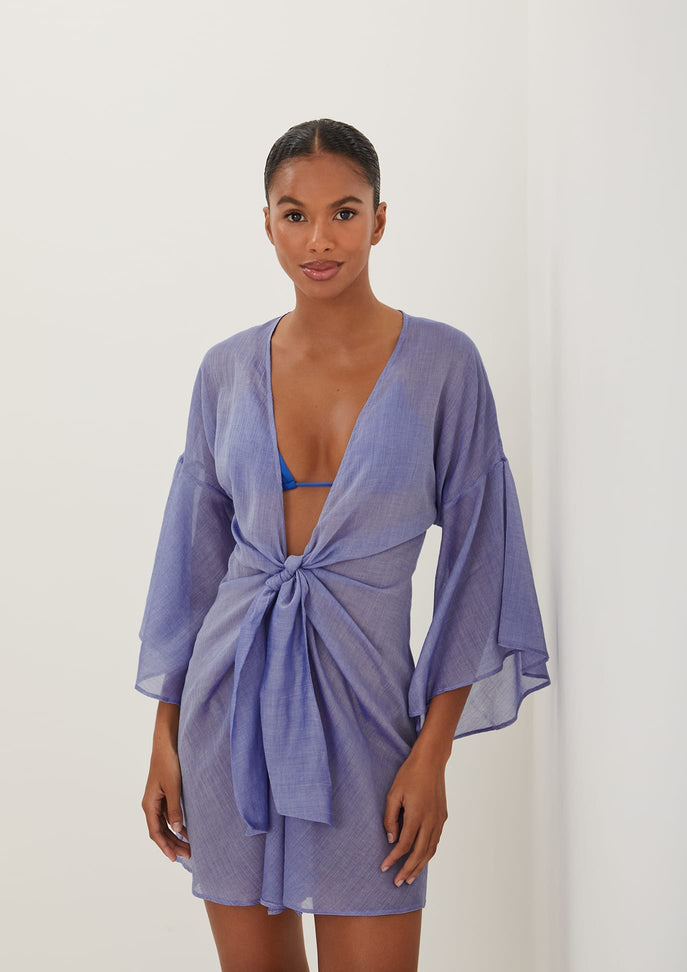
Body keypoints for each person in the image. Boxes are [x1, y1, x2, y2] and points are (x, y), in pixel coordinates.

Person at [136, 119, 550, 972]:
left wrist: (431, 755)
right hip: (228, 713)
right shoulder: (224, 371)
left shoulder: (443, 364)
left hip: (371, 725)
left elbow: (480, 563)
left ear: (379, 219)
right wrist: (163, 735)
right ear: (266, 223)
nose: (319, 239)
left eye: (344, 212)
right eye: (295, 215)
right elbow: (190, 569)